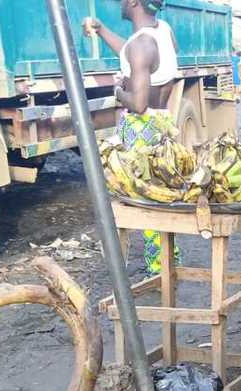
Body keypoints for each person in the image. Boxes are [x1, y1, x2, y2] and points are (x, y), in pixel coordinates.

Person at [85, 0, 180, 273]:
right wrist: (102, 31)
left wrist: (117, 90)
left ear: (133, 2)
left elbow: (137, 103)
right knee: (161, 196)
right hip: (162, 123)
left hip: (141, 129)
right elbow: (134, 55)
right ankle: (168, 262)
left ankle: (159, 272)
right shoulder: (162, 32)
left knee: (142, 201)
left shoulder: (141, 46)